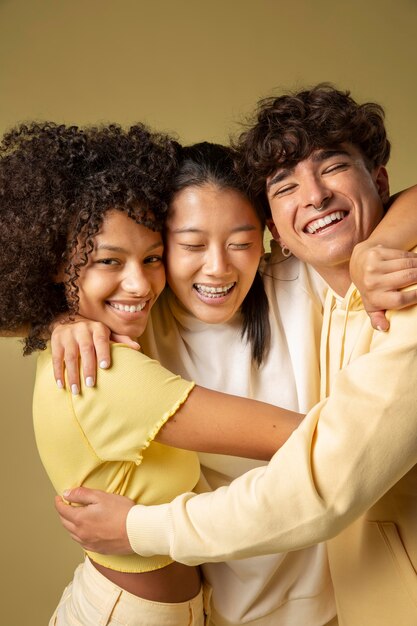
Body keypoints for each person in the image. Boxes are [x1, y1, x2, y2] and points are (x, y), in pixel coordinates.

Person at [56, 85, 417, 626]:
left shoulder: (307, 283)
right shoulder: (135, 327)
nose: (218, 269)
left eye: (240, 242)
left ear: (269, 239)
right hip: (207, 610)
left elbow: (324, 480)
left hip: (345, 605)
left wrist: (376, 247)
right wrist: (66, 318)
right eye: (192, 245)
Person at [0, 122, 313, 626]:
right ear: (57, 264)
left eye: (151, 258)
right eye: (108, 260)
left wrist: (61, 315)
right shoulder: (107, 370)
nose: (139, 282)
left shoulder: (102, 339)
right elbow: (307, 438)